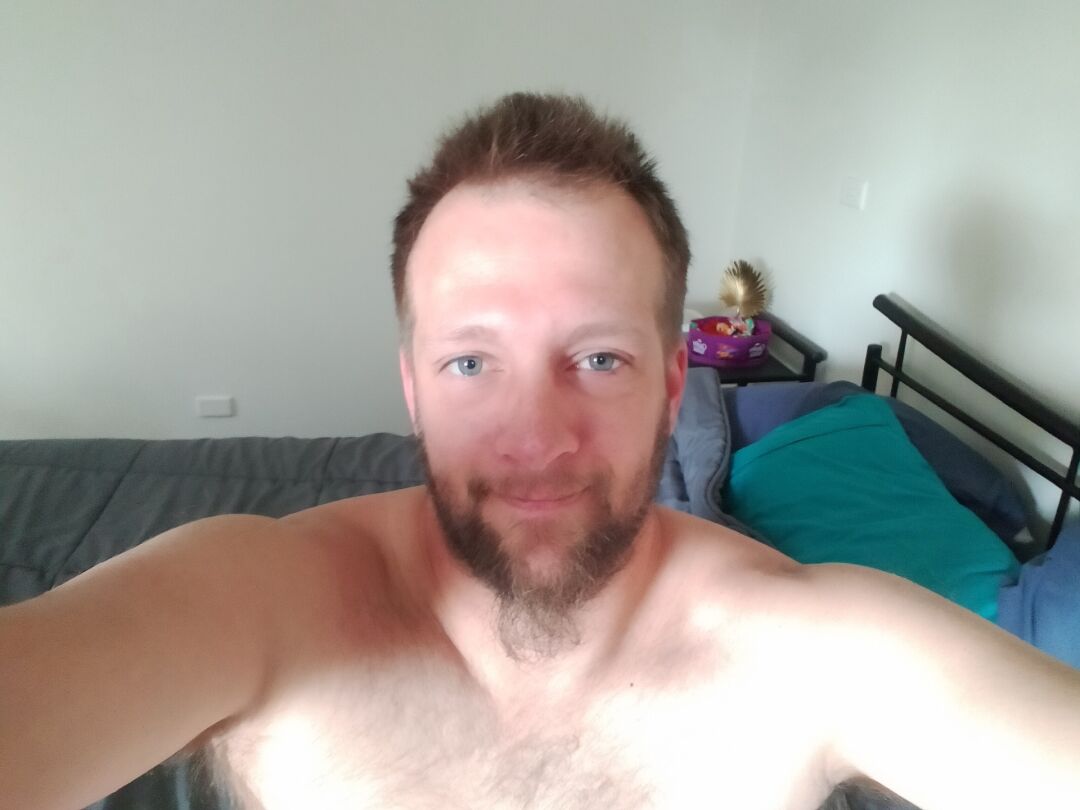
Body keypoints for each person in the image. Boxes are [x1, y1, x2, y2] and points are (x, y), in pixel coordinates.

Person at [2, 92, 1079, 810]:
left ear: (673, 389)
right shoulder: (258, 601)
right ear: (412, 391)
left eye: (600, 359)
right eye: (472, 362)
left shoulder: (814, 650)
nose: (535, 434)